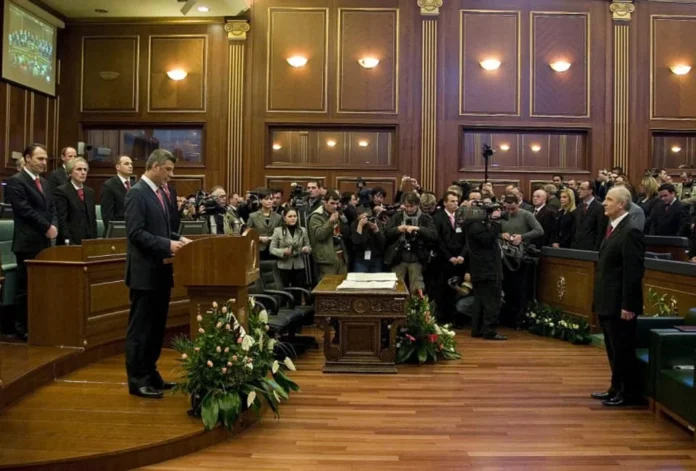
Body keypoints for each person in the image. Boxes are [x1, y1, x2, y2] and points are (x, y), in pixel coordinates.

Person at [124, 149, 191, 399]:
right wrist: (168, 244)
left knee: (155, 329)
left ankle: (151, 374)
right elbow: (136, 233)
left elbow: (162, 230)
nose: (171, 175)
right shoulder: (137, 193)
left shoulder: (161, 193)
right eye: (168, 170)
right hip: (144, 273)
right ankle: (137, 380)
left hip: (161, 272)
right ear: (154, 166)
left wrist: (178, 239)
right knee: (141, 330)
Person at [591, 186, 645, 407]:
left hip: (620, 304)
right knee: (613, 349)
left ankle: (628, 393)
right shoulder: (613, 227)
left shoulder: (631, 231)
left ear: (622, 204)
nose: (604, 203)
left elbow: (633, 272)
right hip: (608, 301)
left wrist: (628, 305)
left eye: (609, 199)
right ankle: (615, 388)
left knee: (623, 349)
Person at [5, 144, 57, 341]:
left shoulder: (45, 182)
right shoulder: (16, 181)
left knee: (42, 287)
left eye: (45, 159)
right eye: (40, 159)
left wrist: (54, 225)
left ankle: (39, 324)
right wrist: (47, 227)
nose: (44, 163)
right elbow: (24, 210)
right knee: (26, 288)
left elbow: (52, 208)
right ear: (27, 158)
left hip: (45, 242)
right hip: (27, 242)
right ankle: (22, 327)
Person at [464, 204, 506, 340]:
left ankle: (478, 329)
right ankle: (489, 330)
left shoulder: (474, 225)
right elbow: (487, 240)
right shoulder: (476, 227)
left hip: (481, 269)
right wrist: (496, 222)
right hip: (487, 269)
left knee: (480, 301)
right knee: (492, 301)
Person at [384, 191, 438, 295]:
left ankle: (417, 305)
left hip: (417, 256)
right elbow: (387, 233)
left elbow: (433, 235)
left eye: (411, 206)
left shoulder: (425, 218)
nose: (409, 209)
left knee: (417, 288)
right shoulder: (397, 217)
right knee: (396, 287)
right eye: (406, 206)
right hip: (399, 257)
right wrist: (398, 229)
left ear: (417, 205)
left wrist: (418, 229)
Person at [433, 191, 467, 322]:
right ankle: (442, 318)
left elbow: (466, 239)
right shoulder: (438, 218)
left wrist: (462, 255)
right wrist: (449, 257)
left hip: (459, 260)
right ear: (445, 203)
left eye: (457, 201)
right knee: (443, 290)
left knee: (456, 290)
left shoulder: (461, 217)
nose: (455, 204)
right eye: (452, 201)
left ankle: (454, 318)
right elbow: (438, 241)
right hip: (444, 261)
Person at [54, 158, 97, 245]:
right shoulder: (62, 191)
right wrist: (68, 241)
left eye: (85, 169)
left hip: (89, 241)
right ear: (70, 172)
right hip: (70, 241)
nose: (83, 172)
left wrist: (94, 240)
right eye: (79, 169)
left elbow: (92, 219)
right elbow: (62, 221)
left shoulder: (90, 192)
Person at [308, 190, 349, 278]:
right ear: (325, 202)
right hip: (326, 260)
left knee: (342, 283)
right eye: (332, 203)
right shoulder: (316, 216)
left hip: (340, 257)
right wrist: (330, 222)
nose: (335, 206)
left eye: (337, 204)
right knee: (328, 285)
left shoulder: (335, 213)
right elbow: (319, 235)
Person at [270, 207, 311, 287]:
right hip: (283, 266)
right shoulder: (278, 231)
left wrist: (307, 249)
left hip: (299, 266)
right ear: (284, 218)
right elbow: (272, 249)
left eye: (295, 216)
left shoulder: (302, 230)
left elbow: (309, 246)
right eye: (290, 216)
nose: (293, 218)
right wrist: (283, 251)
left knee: (298, 290)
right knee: (284, 290)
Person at [101, 155, 134, 237]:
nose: (130, 166)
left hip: (134, 231)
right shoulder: (109, 185)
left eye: (131, 164)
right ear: (117, 167)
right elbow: (107, 215)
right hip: (117, 232)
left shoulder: (135, 184)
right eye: (126, 164)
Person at [571, 181, 607, 251]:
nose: (579, 191)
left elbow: (600, 231)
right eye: (579, 188)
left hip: (591, 248)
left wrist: (596, 248)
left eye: (582, 189)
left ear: (590, 191)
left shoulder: (599, 207)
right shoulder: (579, 206)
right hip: (576, 246)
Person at [247, 190, 283, 259]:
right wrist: (259, 238)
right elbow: (248, 234)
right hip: (258, 250)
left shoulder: (278, 217)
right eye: (266, 199)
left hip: (274, 249)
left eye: (271, 199)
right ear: (260, 200)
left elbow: (281, 233)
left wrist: (272, 238)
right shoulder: (253, 216)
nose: (269, 201)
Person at [351, 207, 386, 273]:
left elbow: (383, 243)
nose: (365, 220)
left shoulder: (376, 222)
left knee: (377, 278)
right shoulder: (355, 224)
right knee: (359, 278)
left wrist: (376, 230)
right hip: (360, 258)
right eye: (362, 218)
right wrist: (360, 226)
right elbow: (356, 243)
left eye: (366, 217)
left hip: (376, 258)